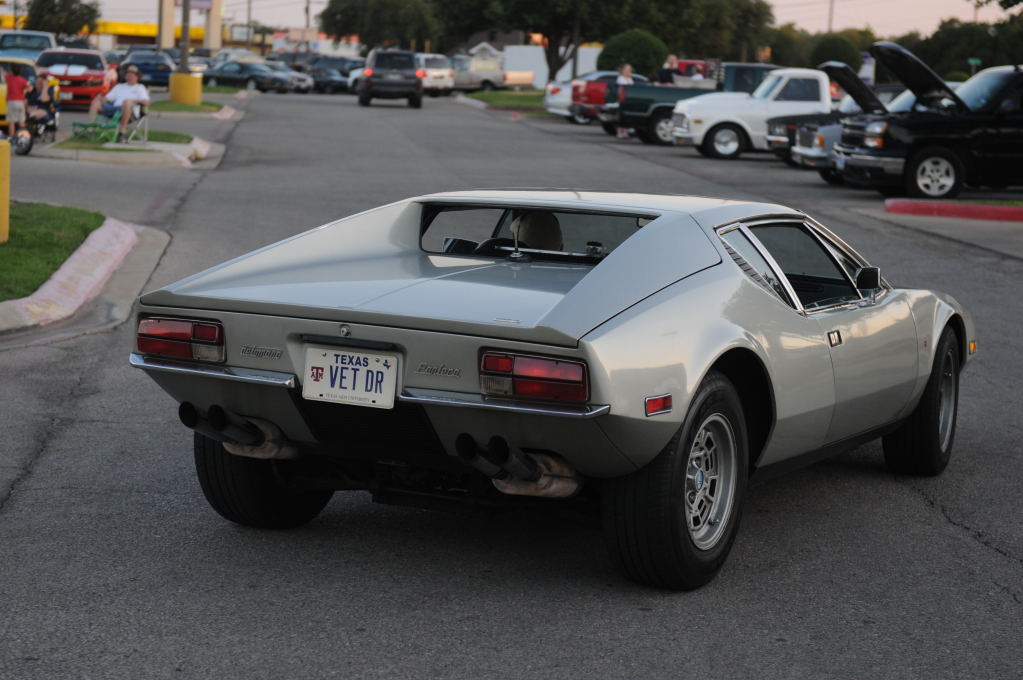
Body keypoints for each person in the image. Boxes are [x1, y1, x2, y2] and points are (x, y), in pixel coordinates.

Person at [88, 64, 150, 142]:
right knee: (96, 102)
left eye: (131, 75)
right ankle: (90, 130)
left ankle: (121, 133)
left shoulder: (140, 87)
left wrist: (131, 101)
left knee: (126, 103)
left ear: (137, 77)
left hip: (131, 111)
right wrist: (100, 98)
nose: (129, 77)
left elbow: (146, 102)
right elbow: (107, 99)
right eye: (128, 75)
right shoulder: (119, 86)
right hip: (114, 109)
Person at [4, 63, 31, 139]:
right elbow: (29, 88)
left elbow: (3, 74)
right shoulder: (22, 80)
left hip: (11, 102)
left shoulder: (9, 78)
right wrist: (24, 93)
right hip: (20, 102)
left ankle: (11, 137)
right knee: (21, 121)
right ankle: (24, 137)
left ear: (11, 71)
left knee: (11, 121)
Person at [615, 63, 634, 140]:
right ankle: (620, 132)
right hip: (622, 99)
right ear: (623, 70)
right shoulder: (620, 78)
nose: (628, 71)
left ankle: (626, 132)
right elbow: (622, 88)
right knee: (621, 116)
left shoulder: (630, 79)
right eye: (627, 69)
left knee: (627, 116)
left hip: (629, 99)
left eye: (629, 70)